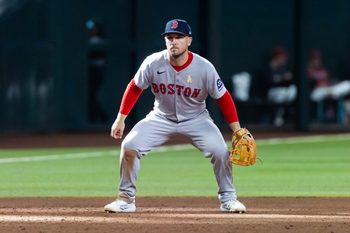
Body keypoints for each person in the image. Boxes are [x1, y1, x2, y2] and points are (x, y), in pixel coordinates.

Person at [104, 19, 246, 213]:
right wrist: (120, 118)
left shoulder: (204, 67)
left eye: (179, 37)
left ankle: (228, 199)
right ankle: (125, 199)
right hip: (160, 118)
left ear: (189, 40)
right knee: (129, 146)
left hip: (197, 119)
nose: (173, 41)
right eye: (169, 37)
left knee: (221, 151)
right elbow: (135, 87)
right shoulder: (153, 62)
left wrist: (237, 130)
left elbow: (223, 98)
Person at [307, 49, 350, 123]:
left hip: (328, 90)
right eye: (315, 59)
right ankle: (334, 95)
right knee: (322, 91)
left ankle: (335, 96)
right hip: (316, 92)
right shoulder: (307, 70)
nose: (317, 61)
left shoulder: (323, 70)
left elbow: (328, 81)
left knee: (347, 84)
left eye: (318, 59)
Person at [261, 46, 297, 126]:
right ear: (276, 57)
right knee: (281, 93)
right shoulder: (267, 69)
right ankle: (278, 115)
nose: (284, 59)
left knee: (293, 89)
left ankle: (287, 114)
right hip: (271, 93)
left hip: (283, 92)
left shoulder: (282, 69)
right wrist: (281, 79)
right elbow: (266, 84)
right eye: (282, 57)